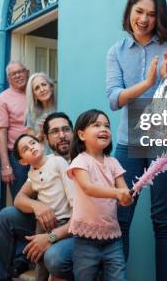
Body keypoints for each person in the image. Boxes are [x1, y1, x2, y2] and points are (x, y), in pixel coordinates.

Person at [106, 0, 167, 281]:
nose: (144, 19)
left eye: (151, 14)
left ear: (160, 18)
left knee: (163, 219)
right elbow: (114, 99)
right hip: (127, 144)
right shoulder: (116, 52)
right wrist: (146, 84)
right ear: (129, 10)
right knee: (120, 219)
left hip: (164, 144)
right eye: (139, 11)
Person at [0, 111, 75, 281]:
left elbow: (80, 214)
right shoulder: (38, 169)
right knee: (7, 215)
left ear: (74, 132)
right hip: (46, 223)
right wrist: (37, 205)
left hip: (72, 225)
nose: (61, 135)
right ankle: (0, 277)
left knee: (53, 256)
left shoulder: (78, 161)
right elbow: (19, 199)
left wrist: (49, 237)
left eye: (66, 129)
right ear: (46, 138)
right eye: (54, 132)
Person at [67, 109, 132, 281]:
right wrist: (118, 193)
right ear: (81, 134)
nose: (104, 129)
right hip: (85, 239)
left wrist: (127, 197)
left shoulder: (114, 162)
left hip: (113, 239)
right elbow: (89, 188)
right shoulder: (80, 161)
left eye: (107, 126)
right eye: (96, 125)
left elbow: (124, 193)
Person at [0, 61, 30, 201]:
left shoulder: (35, 92)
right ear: (8, 78)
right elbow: (1, 134)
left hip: (39, 153)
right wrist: (5, 166)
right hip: (17, 158)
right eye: (13, 74)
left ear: (27, 72)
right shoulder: (2, 99)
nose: (18, 76)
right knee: (22, 199)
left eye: (20, 71)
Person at [25, 73, 56, 141]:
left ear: (51, 87)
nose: (42, 90)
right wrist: (41, 131)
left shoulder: (61, 106)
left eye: (44, 85)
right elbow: (31, 143)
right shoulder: (31, 113)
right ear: (34, 95)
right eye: (37, 88)